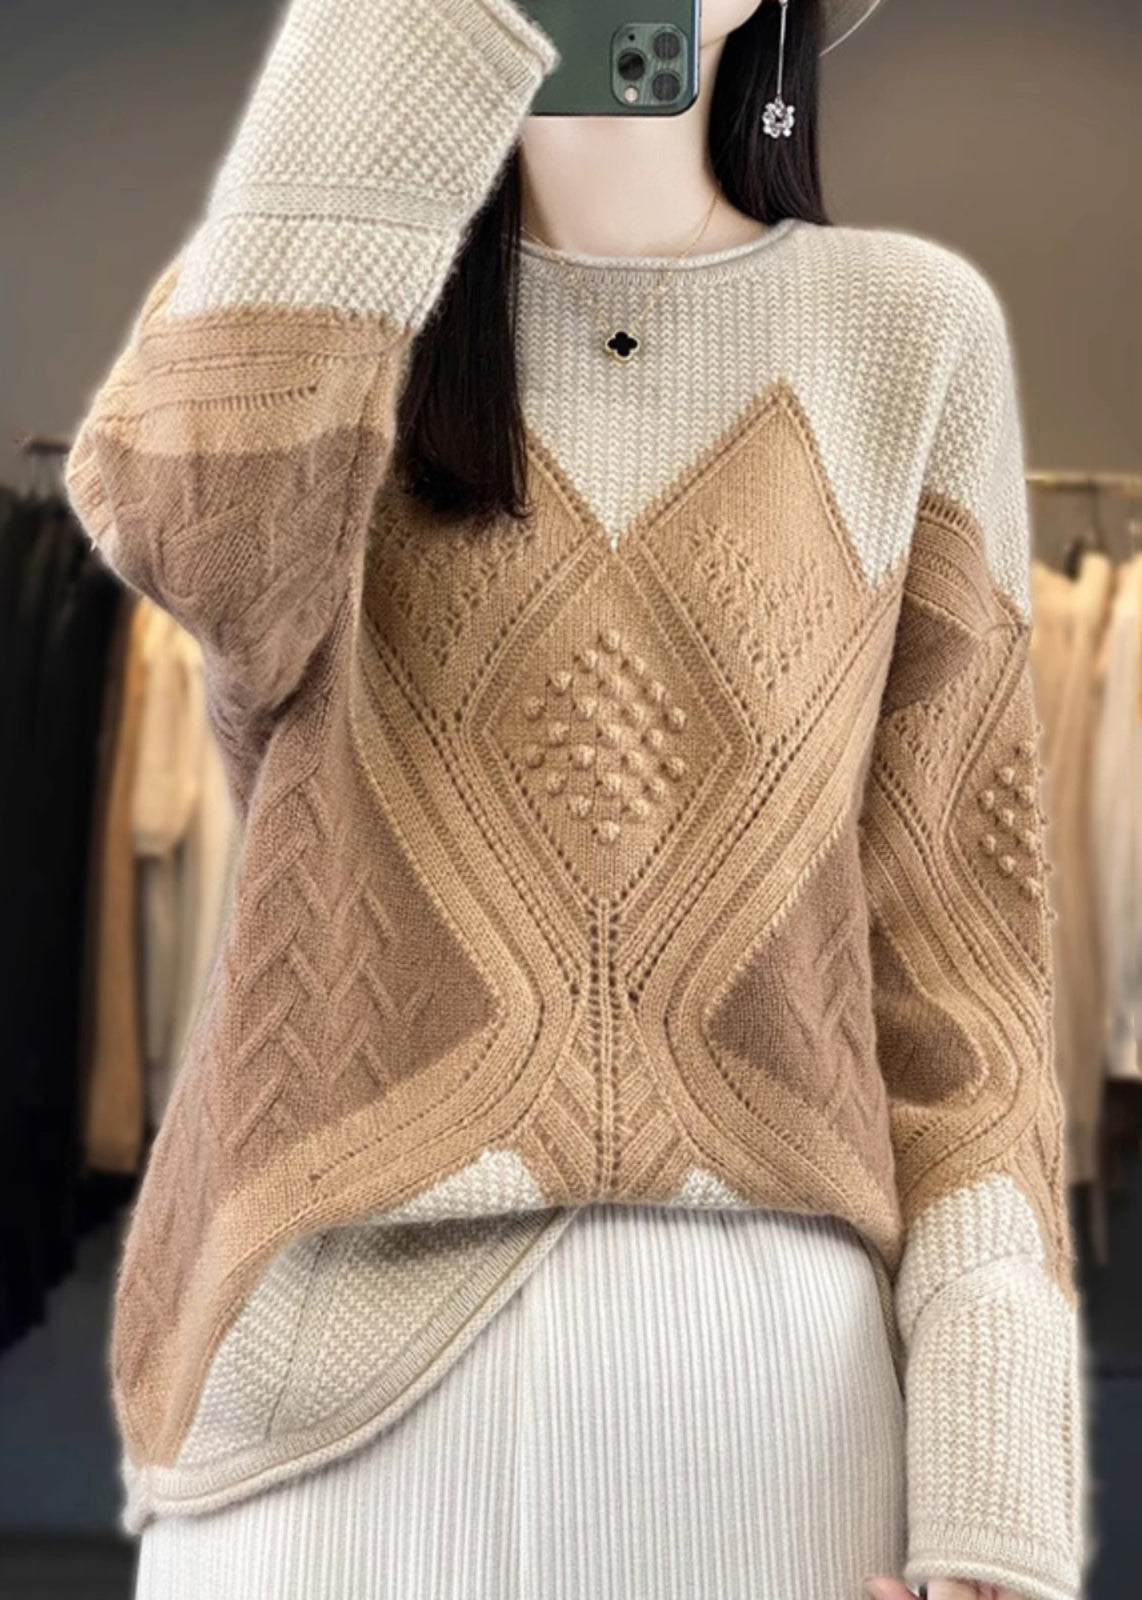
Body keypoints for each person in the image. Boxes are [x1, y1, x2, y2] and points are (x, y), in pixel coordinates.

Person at [65, 1, 1089, 1598]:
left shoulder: (905, 332)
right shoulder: (329, 317)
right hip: (317, 1426)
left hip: (778, 1411)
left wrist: (990, 1482)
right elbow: (192, 536)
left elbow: (962, 983)